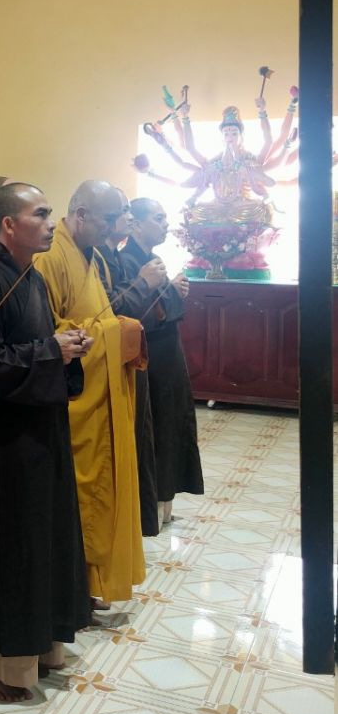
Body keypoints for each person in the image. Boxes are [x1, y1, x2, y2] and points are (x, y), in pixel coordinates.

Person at [0, 184, 92, 702]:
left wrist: (65, 349)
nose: (51, 222)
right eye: (40, 213)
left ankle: (40, 645)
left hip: (40, 431)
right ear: (8, 226)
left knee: (43, 537)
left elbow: (33, 347)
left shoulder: (30, 277)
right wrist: (49, 351)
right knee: (11, 545)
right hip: (4, 444)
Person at [34, 181, 146, 606]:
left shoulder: (94, 255)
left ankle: (93, 582)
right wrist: (114, 334)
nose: (116, 228)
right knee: (79, 493)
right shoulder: (50, 258)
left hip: (97, 396)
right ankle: (73, 584)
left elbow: (96, 317)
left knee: (101, 489)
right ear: (80, 215)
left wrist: (114, 329)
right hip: (74, 398)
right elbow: (49, 335)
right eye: (110, 219)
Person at [121, 200, 204, 525]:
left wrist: (171, 290)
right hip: (150, 356)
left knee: (172, 421)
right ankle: (152, 505)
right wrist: (170, 292)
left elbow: (166, 307)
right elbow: (139, 313)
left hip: (168, 354)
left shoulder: (151, 259)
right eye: (158, 218)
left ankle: (165, 500)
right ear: (136, 225)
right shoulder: (128, 261)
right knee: (156, 424)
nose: (166, 223)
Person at [93, 192, 167, 538]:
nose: (128, 217)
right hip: (106, 360)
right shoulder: (99, 258)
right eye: (121, 211)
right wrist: (143, 283)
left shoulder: (112, 257)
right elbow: (107, 310)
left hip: (129, 357)